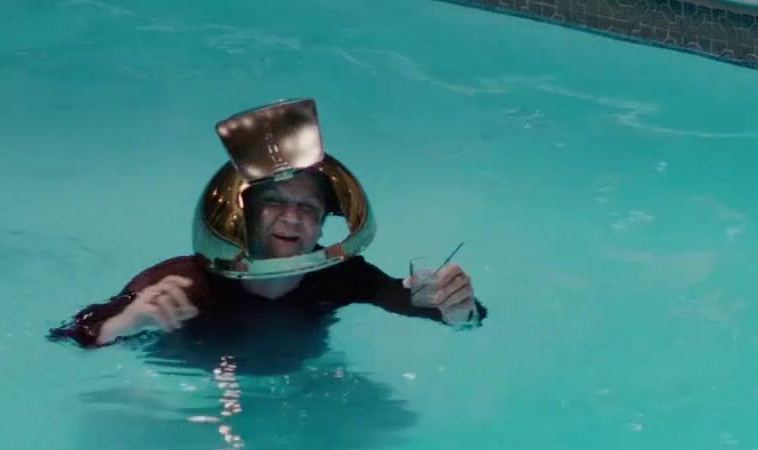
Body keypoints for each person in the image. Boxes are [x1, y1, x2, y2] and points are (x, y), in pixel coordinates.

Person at [48, 99, 487, 353]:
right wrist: (130, 320)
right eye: (274, 202)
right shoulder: (183, 282)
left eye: (308, 208)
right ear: (245, 216)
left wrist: (460, 310)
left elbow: (424, 306)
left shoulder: (340, 276)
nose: (292, 217)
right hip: (199, 397)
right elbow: (70, 335)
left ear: (322, 226)